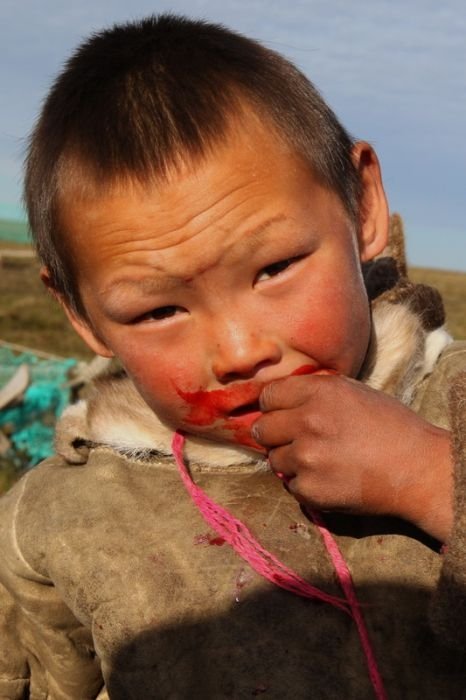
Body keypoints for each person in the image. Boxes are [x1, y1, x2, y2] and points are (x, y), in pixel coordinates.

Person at [1, 13, 466, 699]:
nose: (241, 352)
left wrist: (432, 480)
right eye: (158, 311)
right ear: (81, 315)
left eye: (275, 267)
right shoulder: (54, 518)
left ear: (363, 205)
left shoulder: (450, 402)